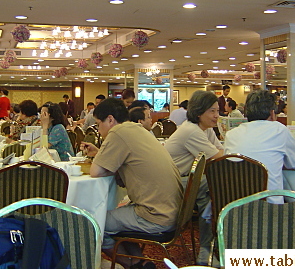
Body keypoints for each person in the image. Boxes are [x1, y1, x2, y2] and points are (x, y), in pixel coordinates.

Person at [81, 98, 182, 269]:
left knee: (93, 223)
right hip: (171, 210)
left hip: (154, 215)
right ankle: (141, 263)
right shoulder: (136, 129)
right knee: (117, 217)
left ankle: (132, 264)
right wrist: (100, 153)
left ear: (110, 119)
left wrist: (99, 157)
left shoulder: (118, 132)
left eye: (99, 124)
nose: (99, 129)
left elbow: (96, 171)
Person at [165, 90, 224, 264]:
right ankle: (208, 248)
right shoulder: (192, 131)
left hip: (186, 180)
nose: (216, 116)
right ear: (199, 112)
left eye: (218, 111)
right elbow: (220, 156)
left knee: (210, 199)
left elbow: (220, 152)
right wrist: (219, 153)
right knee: (215, 186)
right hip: (171, 184)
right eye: (211, 111)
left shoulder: (205, 129)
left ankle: (208, 249)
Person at [224, 89, 295, 204]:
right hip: (269, 208)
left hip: (234, 208)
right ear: (272, 113)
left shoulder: (231, 134)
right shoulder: (279, 129)